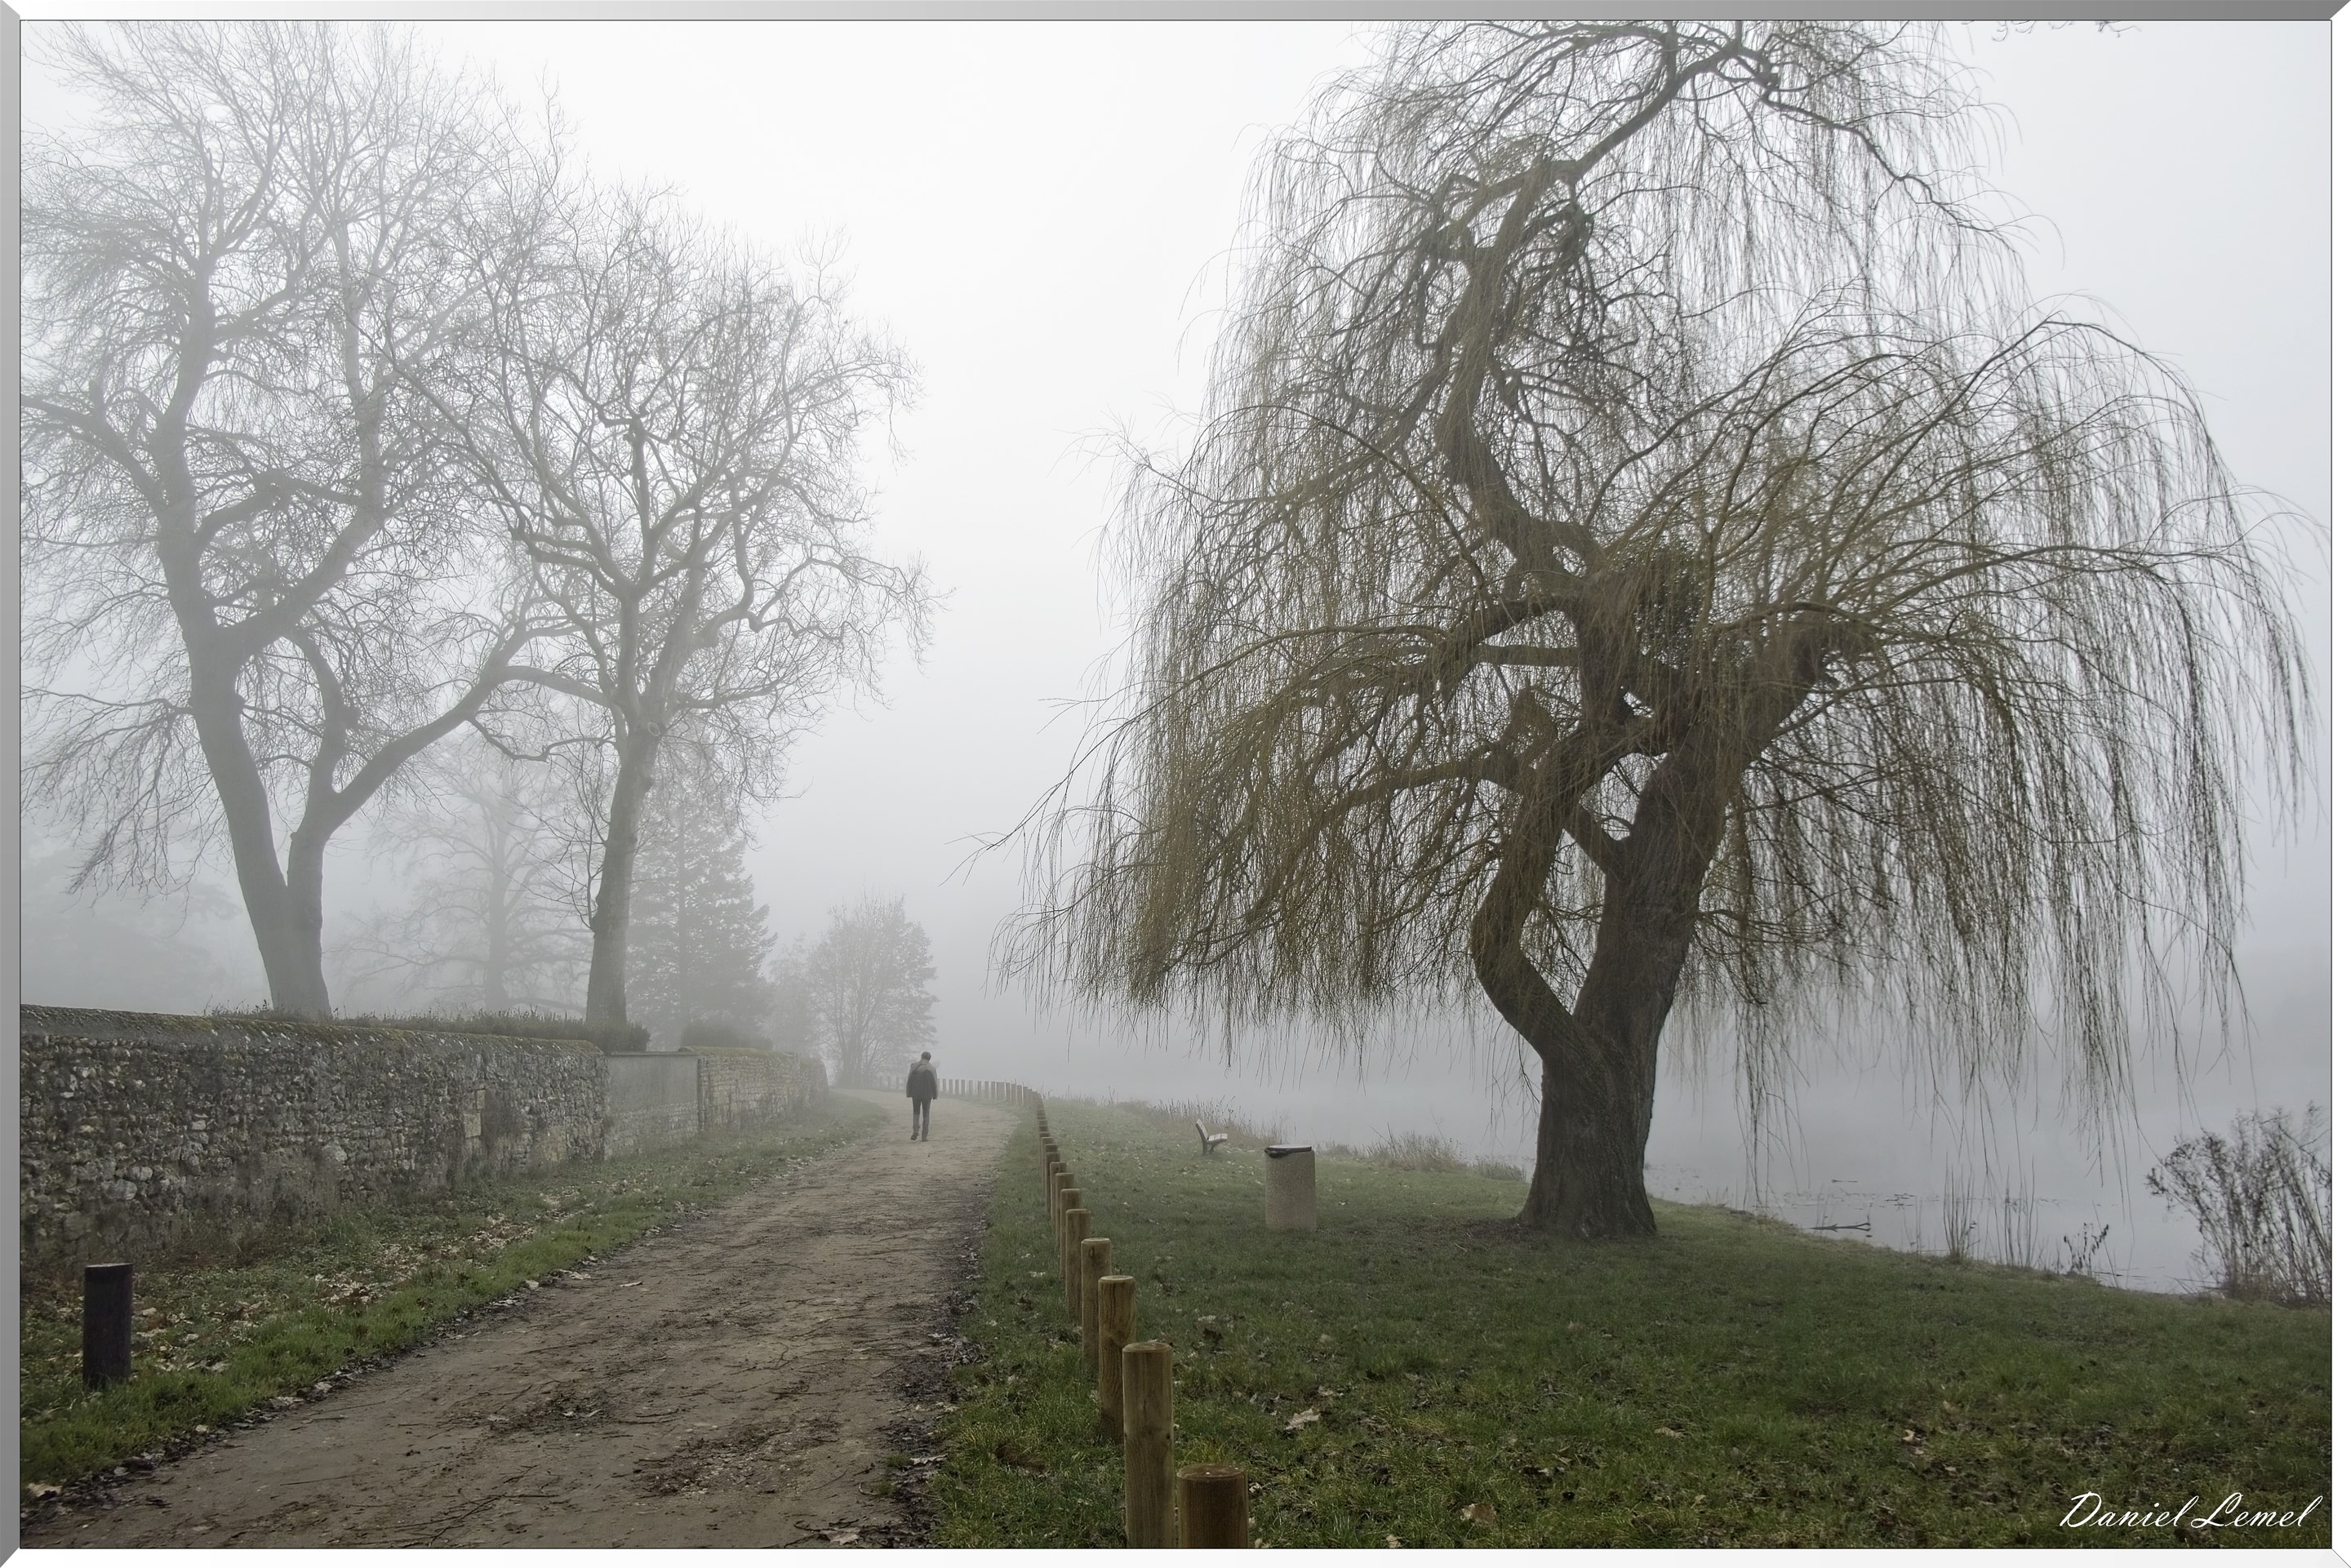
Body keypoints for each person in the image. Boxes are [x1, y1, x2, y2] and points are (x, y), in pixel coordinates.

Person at [905, 1051, 938, 1140]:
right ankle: (924, 1136)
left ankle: (915, 1130)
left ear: (921, 1057)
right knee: (926, 1113)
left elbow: (909, 1080)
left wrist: (909, 1092)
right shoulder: (932, 1068)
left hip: (916, 1093)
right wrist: (935, 1095)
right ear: (929, 1059)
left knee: (916, 1112)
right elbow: (934, 1082)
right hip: (927, 1094)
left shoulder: (915, 1066)